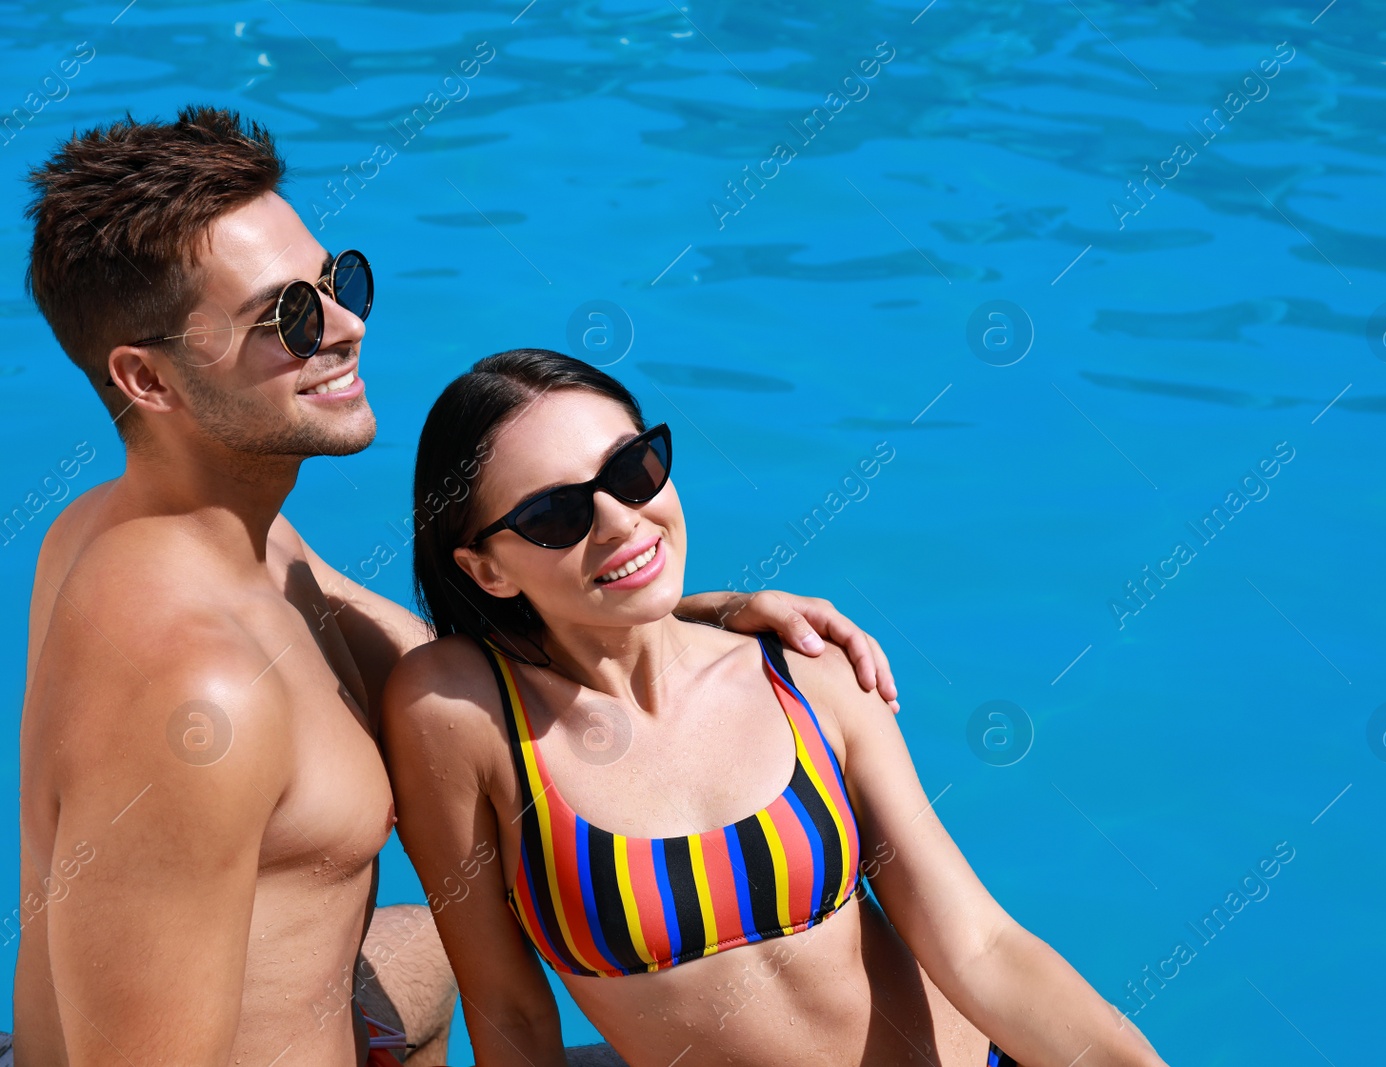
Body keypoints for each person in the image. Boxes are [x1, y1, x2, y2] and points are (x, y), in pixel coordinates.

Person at [14, 107, 901, 1066]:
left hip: (349, 1024)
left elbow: (449, 652)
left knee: (454, 941)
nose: (347, 326)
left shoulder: (187, 534)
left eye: (336, 280)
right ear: (148, 379)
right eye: (287, 317)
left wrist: (694, 611)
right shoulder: (194, 694)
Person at [384, 350, 1170, 1067]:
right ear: (486, 568)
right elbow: (512, 1013)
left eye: (633, 469)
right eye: (557, 514)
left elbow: (981, 946)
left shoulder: (805, 673)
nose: (622, 521)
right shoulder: (460, 718)